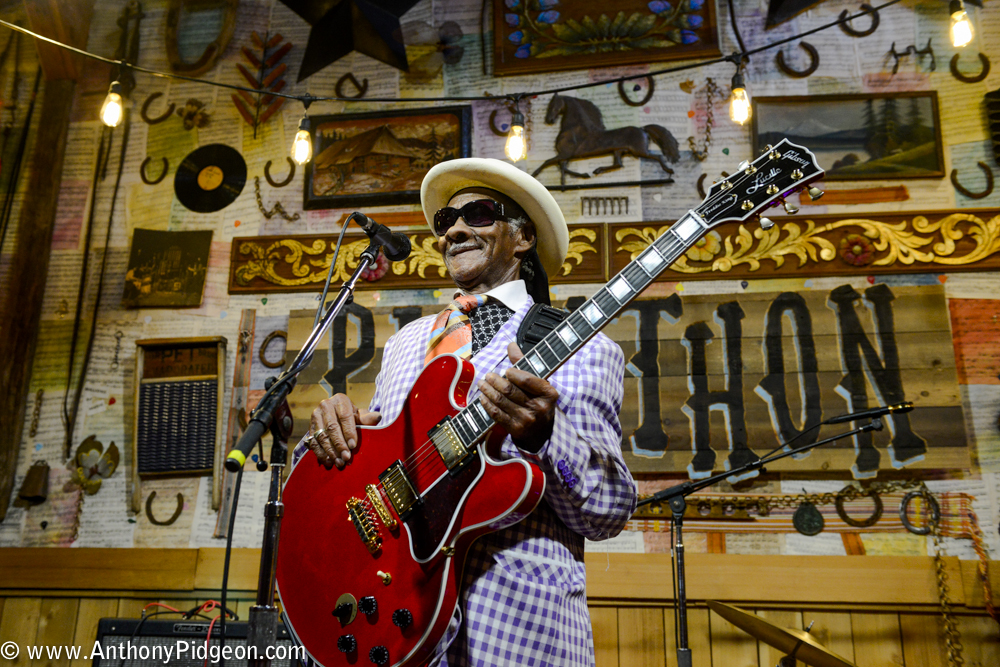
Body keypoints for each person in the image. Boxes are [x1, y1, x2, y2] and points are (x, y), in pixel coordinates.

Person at [298, 158, 637, 666]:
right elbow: (378, 464)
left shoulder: (586, 348)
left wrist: (547, 434)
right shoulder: (406, 343)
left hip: (515, 633)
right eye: (445, 222)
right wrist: (335, 431)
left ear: (522, 238)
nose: (453, 229)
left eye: (478, 213)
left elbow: (608, 510)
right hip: (396, 622)